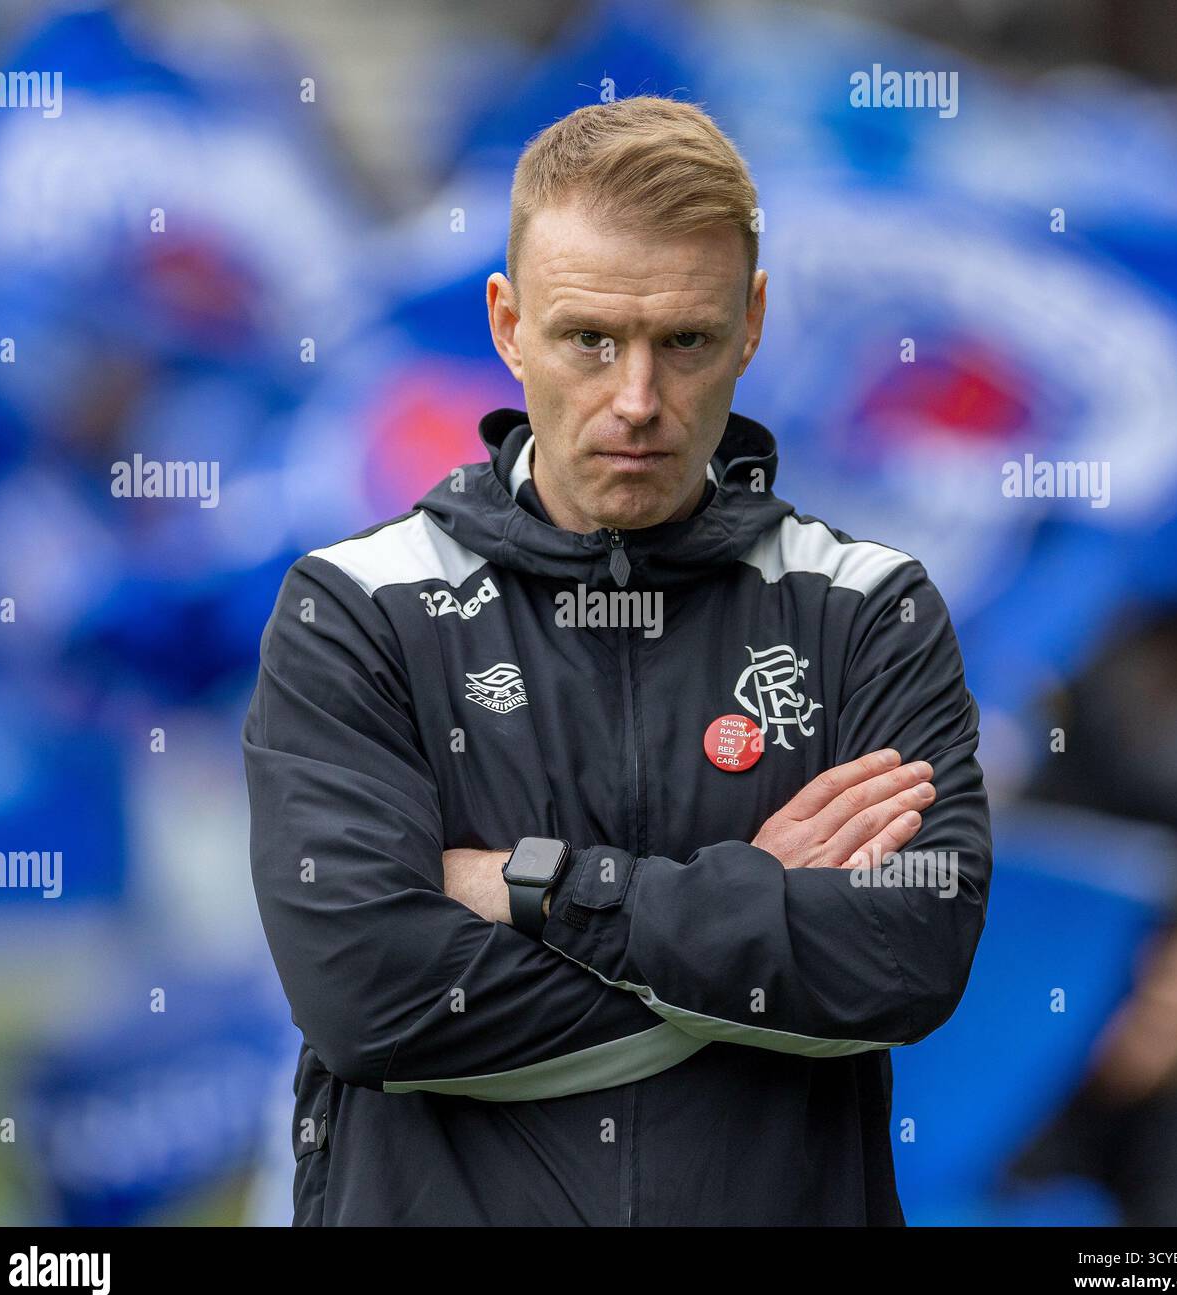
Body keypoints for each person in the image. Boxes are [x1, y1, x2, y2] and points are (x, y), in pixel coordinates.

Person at [242, 95, 992, 1226]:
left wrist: (539, 883)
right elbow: (370, 999)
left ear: (750, 323)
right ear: (506, 324)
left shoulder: (867, 610)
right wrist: (751, 904)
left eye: (682, 341)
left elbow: (905, 961)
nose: (636, 400)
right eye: (589, 338)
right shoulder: (355, 608)